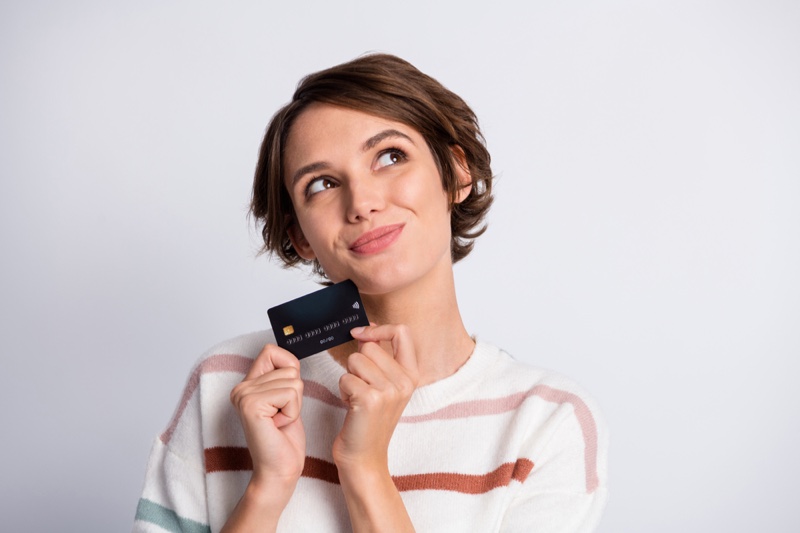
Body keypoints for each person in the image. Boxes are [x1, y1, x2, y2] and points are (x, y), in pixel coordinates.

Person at [134, 53, 608, 532]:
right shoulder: (227, 385)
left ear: (457, 172)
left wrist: (365, 469)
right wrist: (267, 489)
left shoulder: (547, 423)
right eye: (321, 184)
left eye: (390, 156)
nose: (361, 203)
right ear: (299, 235)